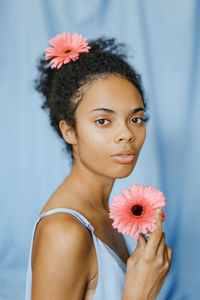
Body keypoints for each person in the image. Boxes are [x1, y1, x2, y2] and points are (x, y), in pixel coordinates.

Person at [25, 32, 172, 300]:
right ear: (69, 131)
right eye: (103, 121)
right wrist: (139, 294)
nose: (126, 134)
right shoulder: (64, 233)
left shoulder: (107, 214)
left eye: (136, 119)